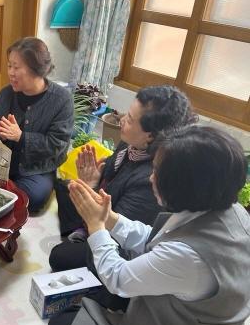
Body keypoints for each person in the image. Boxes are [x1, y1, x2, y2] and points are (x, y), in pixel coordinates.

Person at [48, 125, 250, 325]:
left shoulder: (189, 256)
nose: (151, 177)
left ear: (183, 186)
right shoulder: (231, 211)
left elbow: (119, 279)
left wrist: (95, 226)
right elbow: (155, 238)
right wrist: (110, 219)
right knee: (81, 268)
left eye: (157, 172)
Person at [50, 85, 197, 271]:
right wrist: (93, 180)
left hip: (117, 241)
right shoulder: (131, 143)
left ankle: (83, 234)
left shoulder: (151, 180)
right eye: (127, 114)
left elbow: (114, 229)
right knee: (65, 187)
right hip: (104, 208)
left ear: (150, 136)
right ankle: (81, 230)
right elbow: (109, 174)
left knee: (59, 257)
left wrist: (92, 189)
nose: (122, 121)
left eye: (130, 119)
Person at [0, 37, 74, 212]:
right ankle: (4, 189)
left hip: (36, 169)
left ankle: (7, 192)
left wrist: (21, 137)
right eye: (9, 66)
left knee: (32, 198)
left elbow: (57, 145)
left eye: (16, 67)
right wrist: (1, 133)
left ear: (37, 69)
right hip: (2, 164)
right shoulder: (6, 94)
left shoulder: (61, 100)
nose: (10, 72)